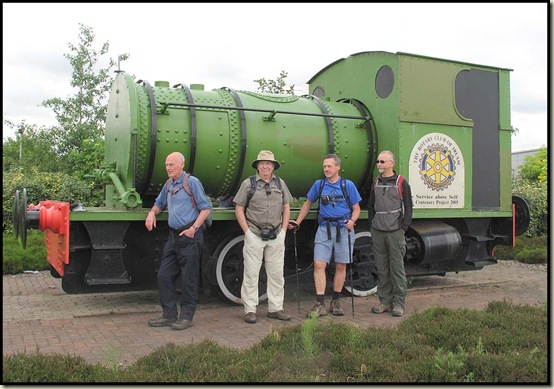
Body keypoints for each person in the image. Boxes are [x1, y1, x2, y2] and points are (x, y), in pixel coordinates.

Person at [145, 152, 213, 330]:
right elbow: (159, 204)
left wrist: (193, 229)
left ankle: (186, 317)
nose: (168, 168)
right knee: (164, 275)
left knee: (188, 279)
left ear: (181, 165)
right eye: (166, 164)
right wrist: (152, 213)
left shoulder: (192, 182)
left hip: (190, 236)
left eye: (171, 164)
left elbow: (205, 209)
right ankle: (168, 315)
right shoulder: (168, 184)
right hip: (174, 237)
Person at [289, 154, 361, 318]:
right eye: (324, 167)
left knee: (341, 266)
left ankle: (335, 301)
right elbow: (307, 204)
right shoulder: (319, 185)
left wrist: (352, 220)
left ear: (338, 167)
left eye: (329, 166)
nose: (326, 169)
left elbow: (356, 208)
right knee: (319, 264)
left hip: (344, 229)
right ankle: (320, 303)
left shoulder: (347, 185)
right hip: (324, 228)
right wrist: (298, 222)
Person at [234, 150, 293, 324]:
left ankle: (275, 308)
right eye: (262, 163)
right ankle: (250, 309)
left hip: (276, 235)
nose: (265, 166)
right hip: (255, 234)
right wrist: (247, 232)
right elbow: (239, 207)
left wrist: (283, 231)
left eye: (268, 163)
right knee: (251, 274)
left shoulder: (280, 184)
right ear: (257, 166)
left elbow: (287, 206)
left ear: (273, 166)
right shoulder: (248, 183)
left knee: (276, 274)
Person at [367, 150, 413, 317]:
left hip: (395, 231)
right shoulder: (376, 183)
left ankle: (399, 304)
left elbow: (408, 206)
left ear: (391, 163)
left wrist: (404, 227)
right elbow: (371, 205)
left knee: (397, 268)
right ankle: (384, 301)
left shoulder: (401, 182)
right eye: (378, 161)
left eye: (382, 162)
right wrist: (373, 224)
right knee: (382, 267)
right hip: (378, 231)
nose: (379, 164)